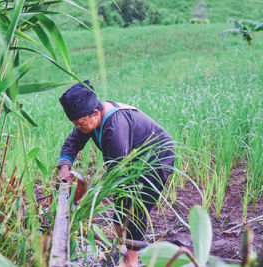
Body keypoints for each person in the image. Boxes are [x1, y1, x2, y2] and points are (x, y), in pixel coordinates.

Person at [57, 80, 175, 267]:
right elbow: (72, 143)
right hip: (130, 162)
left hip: (156, 158)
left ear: (95, 113)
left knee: (134, 208)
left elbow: (117, 172)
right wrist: (65, 169)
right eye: (75, 124)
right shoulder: (88, 119)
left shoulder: (114, 126)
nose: (78, 128)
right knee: (120, 205)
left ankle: (131, 261)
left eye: (80, 124)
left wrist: (89, 197)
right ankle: (116, 252)